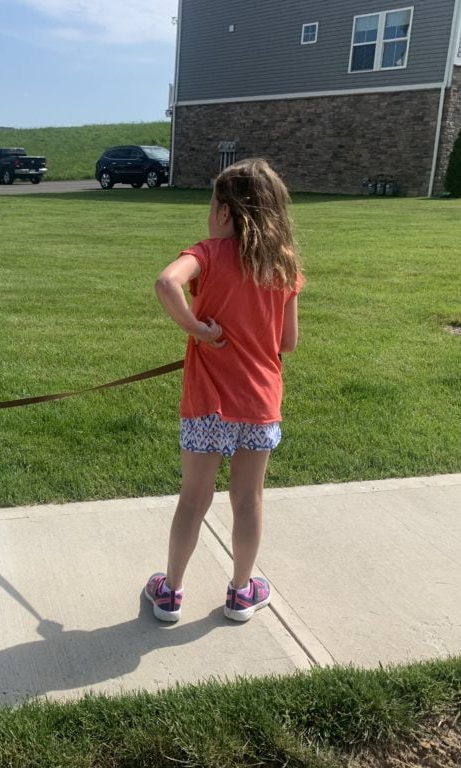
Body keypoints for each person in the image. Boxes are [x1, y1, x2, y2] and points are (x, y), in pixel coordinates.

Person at [145, 158, 302, 623]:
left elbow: (166, 282)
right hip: (259, 403)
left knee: (194, 499)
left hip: (207, 405)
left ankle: (170, 591)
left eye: (212, 201)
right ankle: (241, 591)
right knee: (248, 500)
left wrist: (198, 329)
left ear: (227, 211)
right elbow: (287, 343)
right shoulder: (283, 267)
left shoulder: (208, 254)